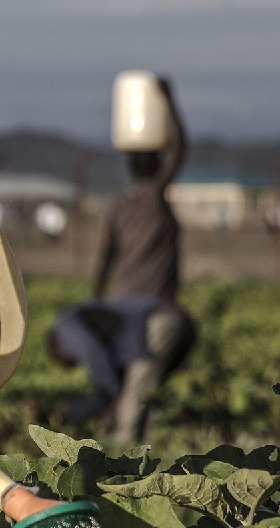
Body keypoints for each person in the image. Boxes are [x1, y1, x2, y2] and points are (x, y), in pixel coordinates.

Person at [48, 76, 192, 445]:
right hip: (149, 314)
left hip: (121, 311)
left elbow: (104, 260)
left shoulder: (120, 207)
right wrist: (169, 101)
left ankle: (121, 449)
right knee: (138, 389)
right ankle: (125, 454)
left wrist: (97, 301)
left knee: (133, 386)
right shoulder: (154, 198)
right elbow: (180, 148)